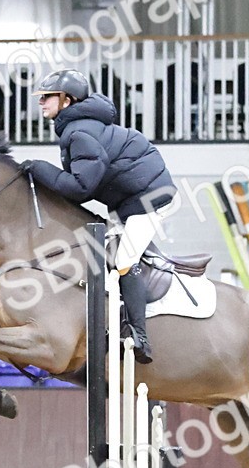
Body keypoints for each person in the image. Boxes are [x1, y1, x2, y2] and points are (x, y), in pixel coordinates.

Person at [23, 69, 176, 364]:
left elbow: (81, 187)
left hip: (151, 198)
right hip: (127, 200)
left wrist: (41, 169)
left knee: (123, 261)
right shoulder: (76, 127)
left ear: (66, 100)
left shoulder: (80, 132)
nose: (41, 102)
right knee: (101, 258)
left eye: (47, 97)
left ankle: (139, 336)